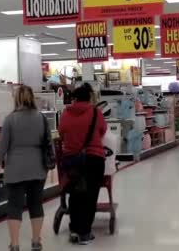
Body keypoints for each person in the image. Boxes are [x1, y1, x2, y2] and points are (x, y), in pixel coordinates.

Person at [0, 85, 50, 251]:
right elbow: (48, 143)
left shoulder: (10, 119)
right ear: (32, 98)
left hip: (15, 169)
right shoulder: (41, 118)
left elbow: (2, 148)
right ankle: (36, 241)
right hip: (38, 168)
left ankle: (15, 244)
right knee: (36, 204)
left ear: (16, 99)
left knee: (14, 206)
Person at [58, 85, 107, 245]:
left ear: (75, 98)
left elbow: (61, 132)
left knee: (75, 194)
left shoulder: (66, 113)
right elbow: (102, 130)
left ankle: (74, 229)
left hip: (71, 159)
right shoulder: (95, 112)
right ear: (89, 97)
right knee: (90, 195)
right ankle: (84, 233)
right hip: (93, 158)